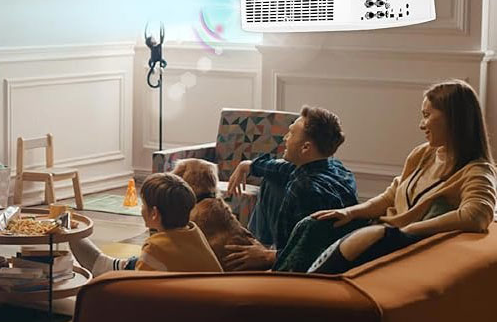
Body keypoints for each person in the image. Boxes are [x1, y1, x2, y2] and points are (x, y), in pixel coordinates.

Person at [277, 79, 497, 274]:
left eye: (427, 116)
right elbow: (390, 196)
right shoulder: (423, 153)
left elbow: (476, 216)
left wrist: (406, 230)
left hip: (392, 239)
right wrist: (350, 212)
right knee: (313, 225)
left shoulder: (477, 171)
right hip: (379, 227)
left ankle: (286, 287)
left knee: (316, 247)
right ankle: (276, 280)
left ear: (453, 119)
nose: (422, 125)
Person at [224, 105, 359, 270]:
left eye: (291, 133)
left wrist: (268, 256)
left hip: (308, 266)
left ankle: (255, 255)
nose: (285, 138)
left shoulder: (304, 190)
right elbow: (281, 168)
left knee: (273, 179)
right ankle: (256, 244)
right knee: (272, 177)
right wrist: (249, 165)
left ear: (305, 147)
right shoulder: (335, 166)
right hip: (322, 245)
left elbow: (307, 254)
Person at [70, 172, 222, 276]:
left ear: (154, 213)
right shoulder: (193, 233)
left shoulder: (156, 248)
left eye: (143, 205)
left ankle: (69, 232)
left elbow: (137, 289)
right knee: (123, 262)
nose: (141, 209)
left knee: (100, 267)